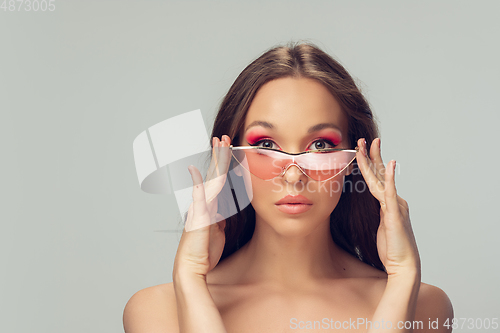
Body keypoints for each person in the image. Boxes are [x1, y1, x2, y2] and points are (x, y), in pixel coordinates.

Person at [123, 42, 453, 333]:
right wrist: (190, 278)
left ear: (355, 159)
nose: (294, 176)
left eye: (321, 145)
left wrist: (404, 275)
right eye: (265, 143)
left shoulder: (424, 308)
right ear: (231, 160)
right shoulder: (157, 311)